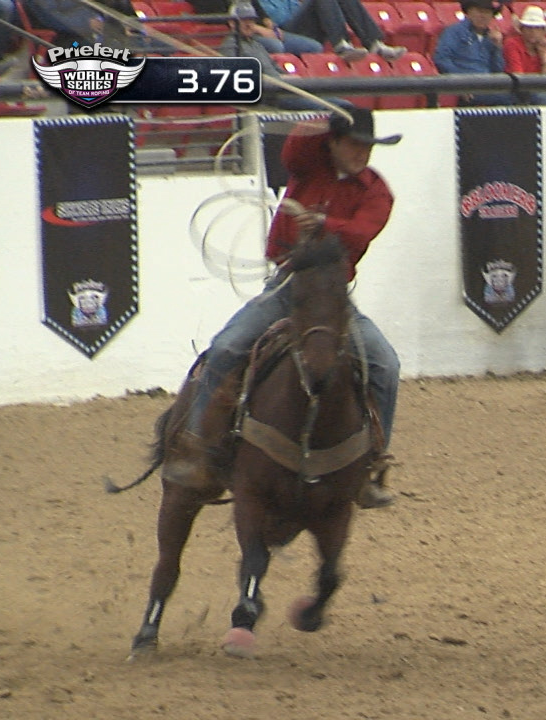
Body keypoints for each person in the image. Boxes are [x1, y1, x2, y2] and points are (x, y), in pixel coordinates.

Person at [168, 107, 403, 509]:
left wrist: (323, 223)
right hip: (286, 288)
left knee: (386, 365)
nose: (362, 153)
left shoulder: (376, 191)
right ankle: (197, 448)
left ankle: (369, 463)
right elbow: (294, 146)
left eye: (367, 146)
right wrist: (325, 120)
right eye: (353, 143)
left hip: (332, 298)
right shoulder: (310, 165)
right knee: (225, 348)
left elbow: (364, 231)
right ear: (334, 142)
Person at [219, 2, 352, 109]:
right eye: (243, 20)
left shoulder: (257, 45)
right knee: (338, 106)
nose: (249, 24)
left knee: (344, 104)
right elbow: (242, 80)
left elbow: (275, 68)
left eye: (251, 20)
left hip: (285, 90)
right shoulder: (231, 46)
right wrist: (278, 80)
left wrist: (288, 77)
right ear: (232, 23)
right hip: (271, 97)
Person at [255, 0, 404, 61]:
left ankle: (375, 44)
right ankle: (341, 45)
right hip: (280, 30)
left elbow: (294, 7)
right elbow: (273, 18)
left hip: (299, 25)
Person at [432, 0, 515, 106]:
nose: (483, 16)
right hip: (465, 85)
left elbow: (497, 70)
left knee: (519, 94)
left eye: (487, 12)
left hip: (487, 85)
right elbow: (441, 59)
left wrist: (497, 47)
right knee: (508, 98)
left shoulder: (491, 37)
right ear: (469, 12)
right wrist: (459, 82)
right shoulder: (454, 32)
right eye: (479, 11)